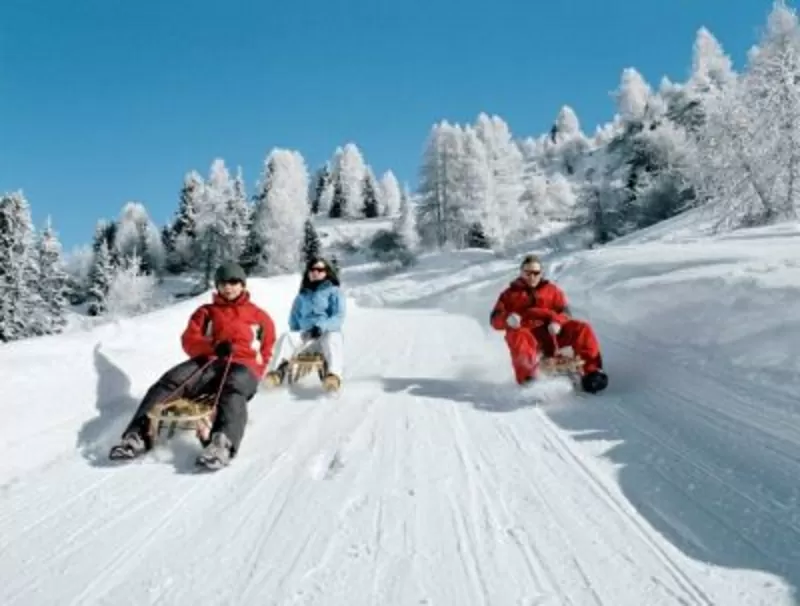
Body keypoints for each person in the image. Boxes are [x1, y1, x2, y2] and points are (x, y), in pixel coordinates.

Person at [108, 262, 276, 468]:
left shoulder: (259, 316)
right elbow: (189, 340)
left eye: (233, 282)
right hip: (209, 360)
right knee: (171, 380)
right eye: (223, 283)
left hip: (242, 365)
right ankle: (137, 436)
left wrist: (256, 370)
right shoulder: (206, 312)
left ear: (242, 284)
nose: (228, 287)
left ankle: (222, 444)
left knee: (233, 387)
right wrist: (213, 346)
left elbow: (267, 348)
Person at [490, 254, 608, 393]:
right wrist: (507, 320)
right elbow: (494, 319)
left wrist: (557, 322)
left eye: (536, 273)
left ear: (541, 273)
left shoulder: (552, 291)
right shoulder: (509, 294)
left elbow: (565, 312)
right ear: (521, 273)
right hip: (526, 333)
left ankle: (591, 373)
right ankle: (528, 379)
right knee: (518, 335)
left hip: (551, 331)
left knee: (582, 328)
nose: (532, 276)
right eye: (527, 273)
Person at [264, 256, 345, 391]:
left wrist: (321, 327)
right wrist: (298, 336)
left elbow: (339, 316)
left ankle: (333, 376)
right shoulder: (302, 295)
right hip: (306, 335)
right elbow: (293, 319)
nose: (315, 272)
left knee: (333, 338)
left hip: (325, 333)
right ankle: (276, 373)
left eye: (320, 269)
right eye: (312, 269)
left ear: (326, 272)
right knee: (287, 336)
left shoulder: (334, 292)